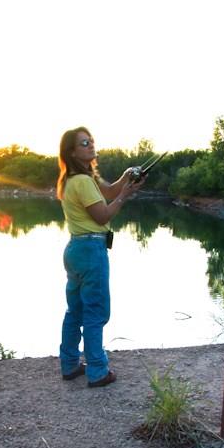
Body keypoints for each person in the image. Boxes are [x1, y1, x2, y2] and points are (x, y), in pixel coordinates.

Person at [57, 127, 144, 387]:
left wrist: (126, 178)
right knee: (96, 312)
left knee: (75, 311)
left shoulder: (78, 179)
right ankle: (97, 371)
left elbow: (108, 192)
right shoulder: (82, 181)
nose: (91, 145)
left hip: (75, 250)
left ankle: (70, 364)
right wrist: (126, 196)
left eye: (91, 141)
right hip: (91, 250)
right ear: (72, 152)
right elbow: (103, 215)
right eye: (84, 143)